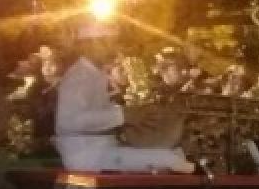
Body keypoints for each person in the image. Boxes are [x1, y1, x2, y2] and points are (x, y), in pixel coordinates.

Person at [54, 22, 199, 177]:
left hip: (101, 149)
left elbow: (98, 111)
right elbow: (69, 121)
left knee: (176, 155)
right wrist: (124, 115)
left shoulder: (95, 73)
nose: (113, 48)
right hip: (86, 156)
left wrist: (134, 113)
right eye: (108, 43)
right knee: (171, 160)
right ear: (91, 45)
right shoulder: (79, 75)